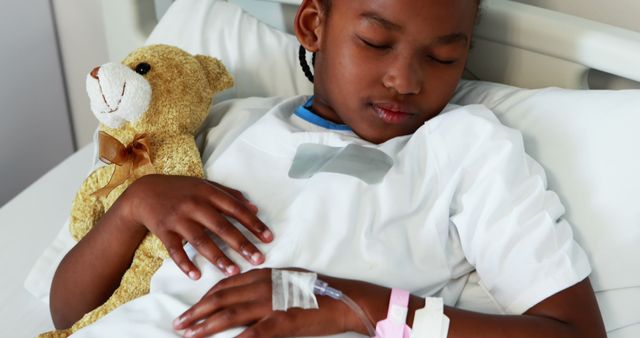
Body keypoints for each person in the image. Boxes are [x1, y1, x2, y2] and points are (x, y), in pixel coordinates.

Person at [50, 0, 607, 337]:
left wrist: (358, 306)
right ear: (313, 25)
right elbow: (68, 311)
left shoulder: (465, 149)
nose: (405, 80)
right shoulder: (228, 125)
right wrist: (134, 206)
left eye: (442, 57)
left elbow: (571, 333)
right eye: (376, 42)